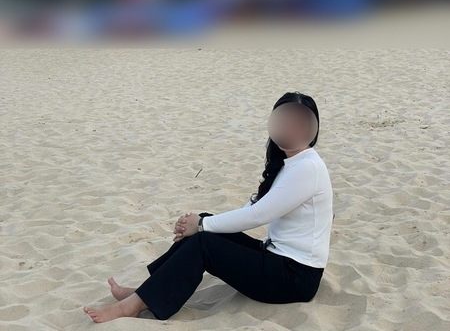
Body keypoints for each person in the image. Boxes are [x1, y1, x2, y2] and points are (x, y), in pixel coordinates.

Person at [84, 91, 333, 323]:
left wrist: (201, 225)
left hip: (296, 278)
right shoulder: (288, 163)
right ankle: (148, 291)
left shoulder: (308, 167)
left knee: (204, 240)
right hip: (277, 259)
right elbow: (251, 207)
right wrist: (202, 222)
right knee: (205, 226)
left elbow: (259, 215)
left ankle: (133, 305)